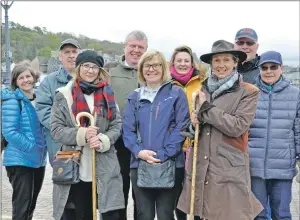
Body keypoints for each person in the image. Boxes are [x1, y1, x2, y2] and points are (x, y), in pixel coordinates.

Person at [177, 40, 263, 220]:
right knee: (203, 213)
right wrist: (193, 124)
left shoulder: (248, 92)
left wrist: (206, 109)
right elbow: (194, 129)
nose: (221, 65)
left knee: (228, 214)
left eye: (226, 60)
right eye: (217, 60)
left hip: (228, 167)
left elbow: (237, 126)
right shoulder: (203, 89)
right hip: (202, 164)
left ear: (235, 62)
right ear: (211, 64)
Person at [50, 50, 124, 220]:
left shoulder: (108, 94)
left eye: (94, 67)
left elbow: (116, 125)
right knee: (79, 213)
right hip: (74, 165)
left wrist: (102, 140)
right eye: (86, 66)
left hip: (104, 164)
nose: (90, 71)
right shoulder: (64, 95)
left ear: (100, 70)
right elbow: (56, 129)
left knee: (110, 212)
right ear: (78, 68)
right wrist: (82, 134)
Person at [122, 50, 190, 220]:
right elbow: (127, 130)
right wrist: (139, 152)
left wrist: (163, 154)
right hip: (140, 163)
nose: (151, 69)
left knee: (166, 214)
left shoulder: (176, 94)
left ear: (164, 68)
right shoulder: (134, 97)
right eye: (147, 65)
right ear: (141, 69)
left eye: (156, 65)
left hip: (170, 163)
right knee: (144, 214)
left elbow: (181, 127)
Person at [248, 50, 300, 220]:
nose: (269, 71)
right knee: (258, 215)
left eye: (273, 67)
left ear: (281, 68)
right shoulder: (250, 94)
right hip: (255, 167)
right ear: (259, 69)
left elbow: (298, 130)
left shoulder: (295, 94)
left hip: (283, 168)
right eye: (264, 67)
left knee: (282, 214)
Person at [35, 38, 81, 219]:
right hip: (60, 149)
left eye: (74, 52)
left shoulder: (87, 78)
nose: (71, 56)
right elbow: (43, 111)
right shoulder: (49, 82)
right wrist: (70, 133)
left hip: (84, 149)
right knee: (63, 199)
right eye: (67, 52)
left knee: (83, 196)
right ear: (60, 57)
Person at [104, 30, 148, 220]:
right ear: (125, 47)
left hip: (144, 144)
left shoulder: (151, 71)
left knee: (142, 195)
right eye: (133, 46)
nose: (136, 50)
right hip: (117, 143)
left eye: (141, 47)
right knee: (117, 193)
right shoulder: (110, 72)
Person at [2, 61, 47, 220]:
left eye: (28, 76)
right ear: (15, 81)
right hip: (20, 161)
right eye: (21, 78)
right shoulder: (13, 101)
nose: (25, 80)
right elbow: (9, 131)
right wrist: (33, 147)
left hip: (38, 161)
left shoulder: (38, 99)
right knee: (22, 207)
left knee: (30, 205)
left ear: (34, 78)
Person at [169, 45, 206, 220]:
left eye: (186, 60)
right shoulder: (166, 83)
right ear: (173, 63)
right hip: (174, 148)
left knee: (195, 191)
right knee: (177, 191)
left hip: (196, 146)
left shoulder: (202, 83)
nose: (183, 64)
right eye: (179, 61)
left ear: (192, 63)